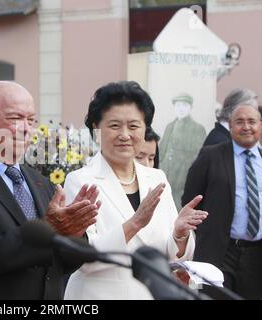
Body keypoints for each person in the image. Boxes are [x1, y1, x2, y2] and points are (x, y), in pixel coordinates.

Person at [0, 81, 101, 299]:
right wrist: (47, 230)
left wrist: (73, 235)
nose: (26, 128)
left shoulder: (41, 182)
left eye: (31, 120)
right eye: (15, 118)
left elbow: (61, 266)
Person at [63, 81, 207, 300]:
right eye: (114, 126)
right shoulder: (79, 180)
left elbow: (168, 254)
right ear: (96, 128)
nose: (124, 135)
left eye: (133, 126)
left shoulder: (156, 178)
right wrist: (135, 223)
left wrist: (179, 234)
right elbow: (82, 259)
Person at [182, 103, 262, 300]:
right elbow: (191, 201)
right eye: (239, 122)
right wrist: (206, 232)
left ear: (260, 125)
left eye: (251, 121)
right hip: (220, 251)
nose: (246, 127)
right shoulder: (211, 155)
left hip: (257, 255)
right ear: (230, 126)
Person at [159, 92, 207, 209]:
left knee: (180, 208)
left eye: (184, 105)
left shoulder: (198, 128)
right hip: (167, 175)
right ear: (174, 108)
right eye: (178, 105)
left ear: (190, 108)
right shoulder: (170, 126)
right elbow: (161, 152)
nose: (181, 109)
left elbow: (199, 157)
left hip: (184, 178)